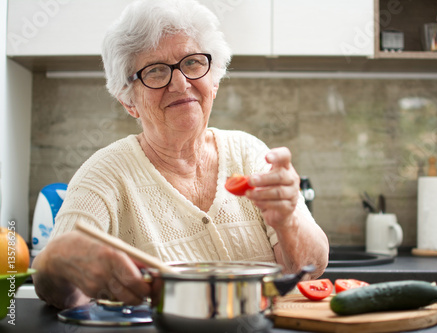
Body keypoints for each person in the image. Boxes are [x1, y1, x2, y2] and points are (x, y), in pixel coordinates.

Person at [32, 0, 329, 310]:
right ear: (128, 100)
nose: (180, 83)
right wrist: (56, 261)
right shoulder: (105, 174)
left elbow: (308, 271)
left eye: (192, 63)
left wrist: (288, 220)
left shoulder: (250, 153)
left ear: (213, 81)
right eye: (156, 71)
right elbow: (52, 284)